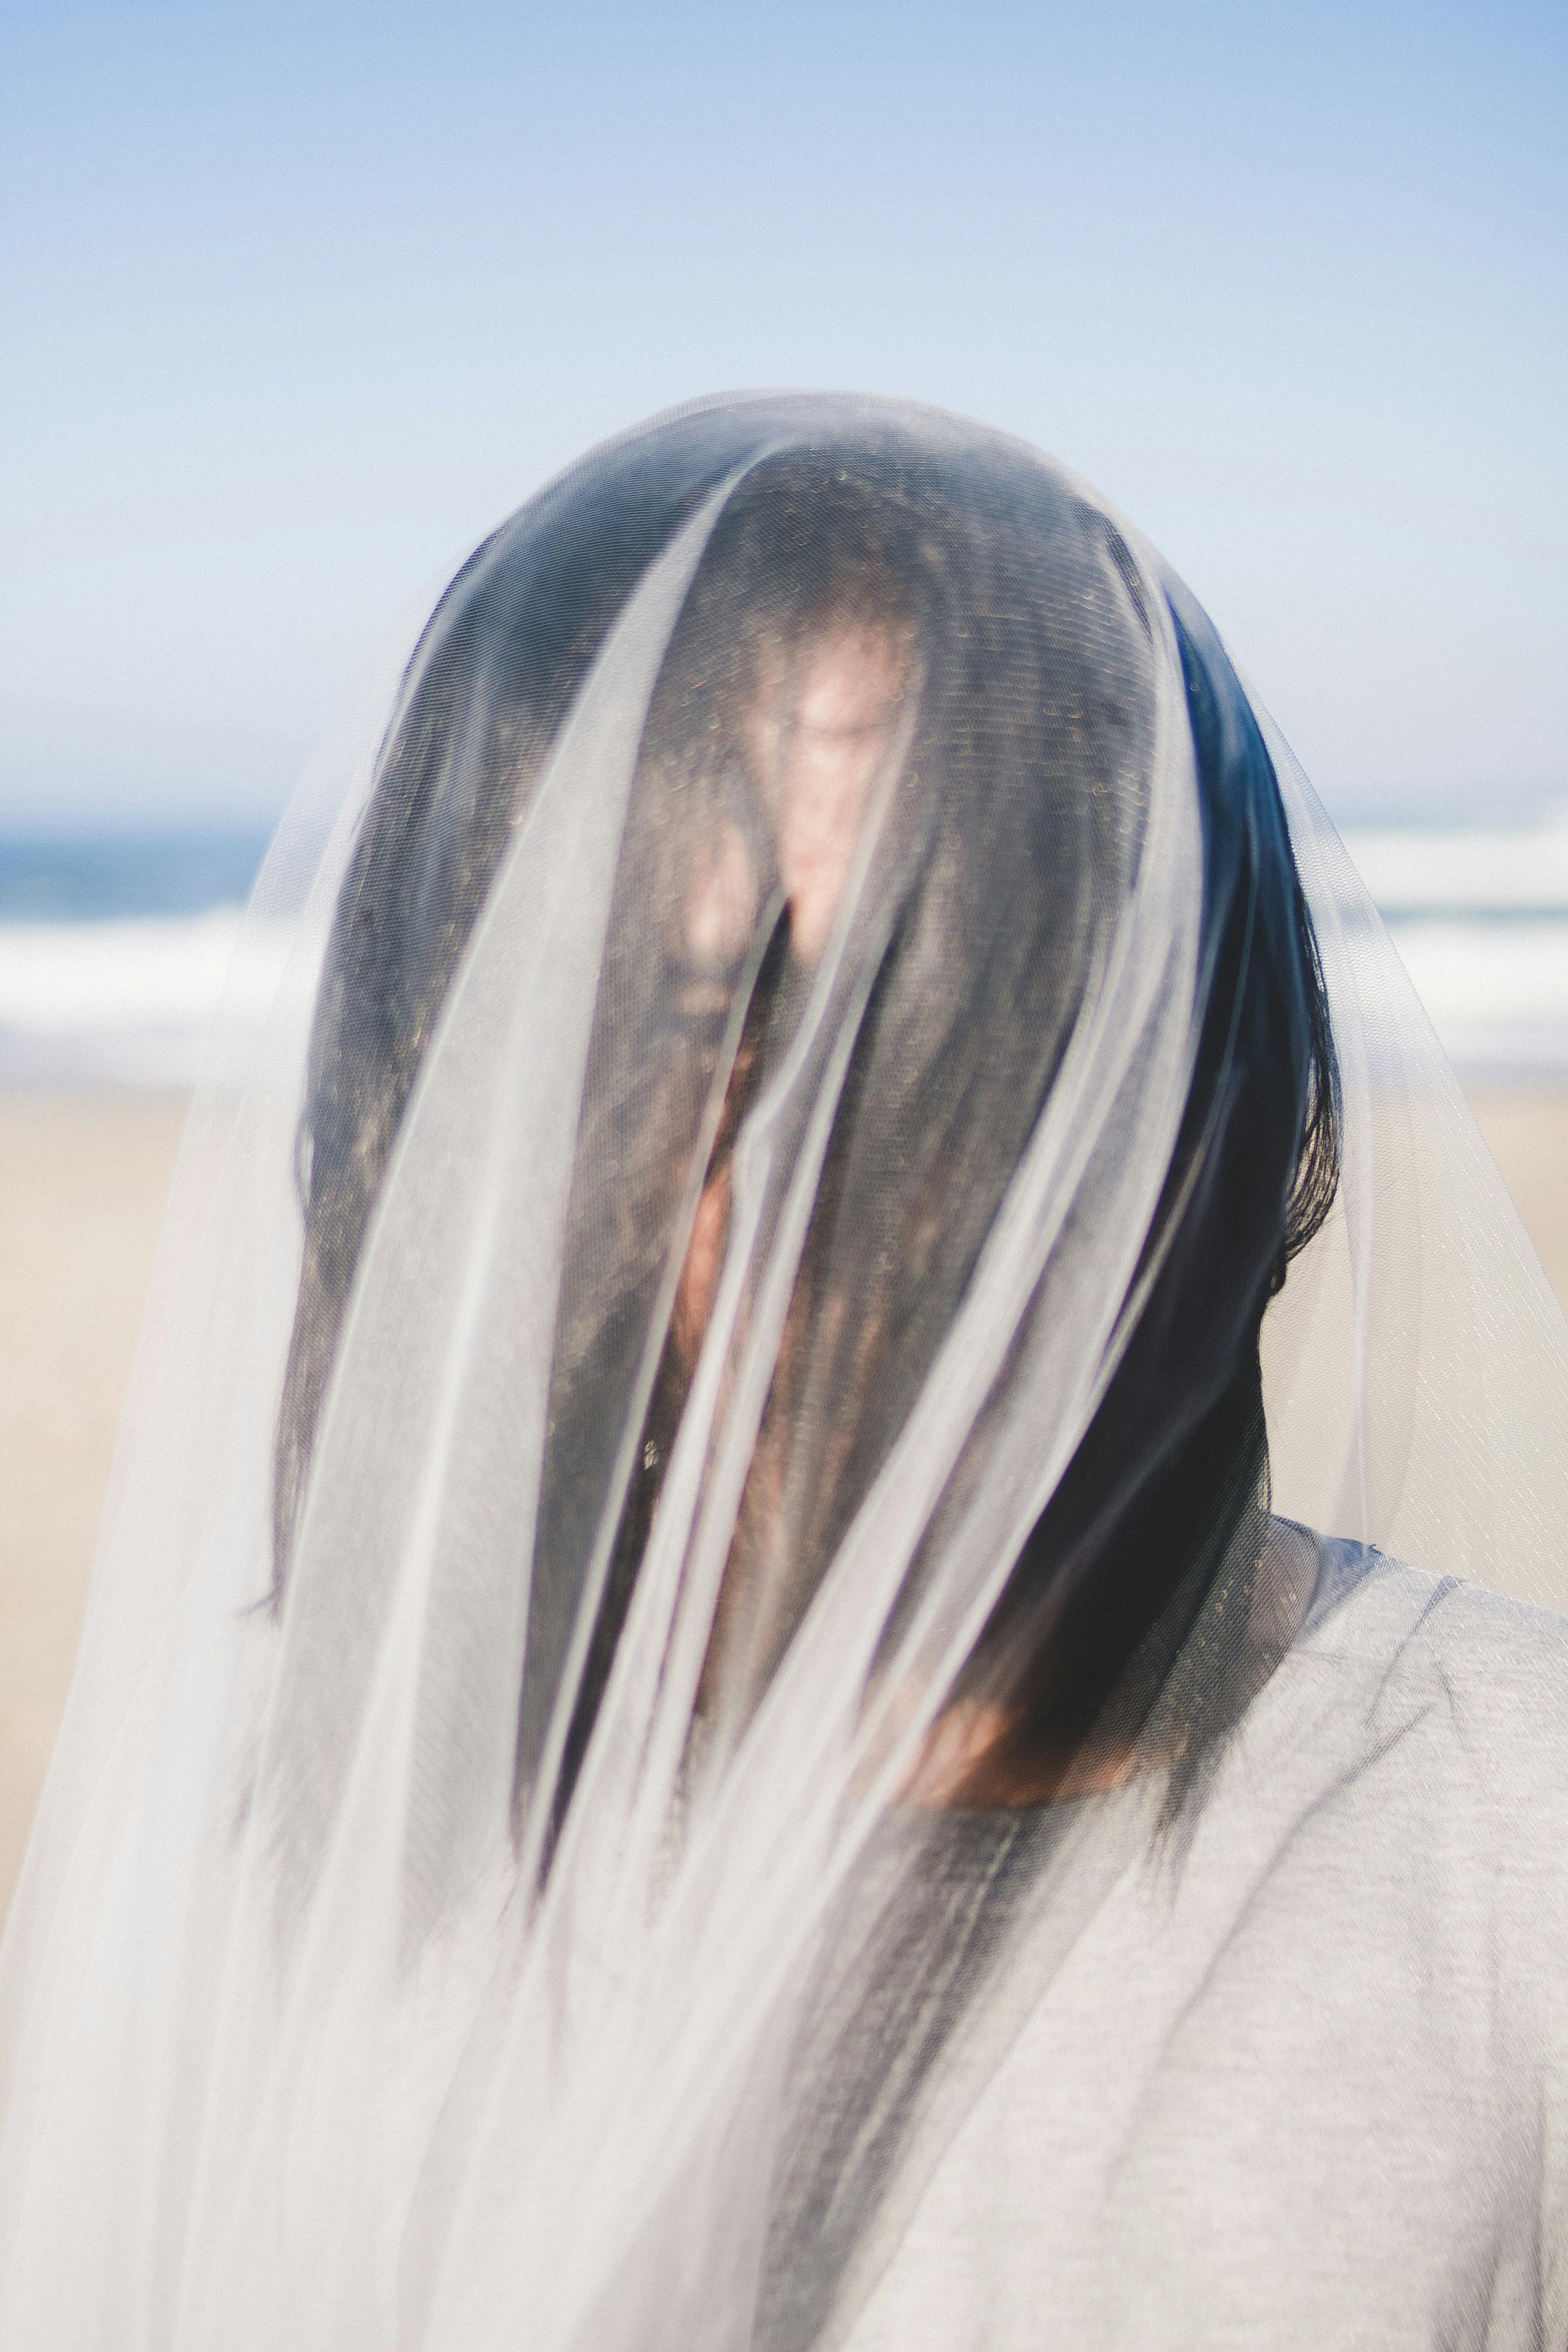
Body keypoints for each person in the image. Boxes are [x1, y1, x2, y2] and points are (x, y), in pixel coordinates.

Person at [3, 394, 1568, 2349]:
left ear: (1190, 1067)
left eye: (971, 997)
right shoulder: (283, 1800)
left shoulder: (1515, 1838)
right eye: (699, 1021)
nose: (866, 1160)